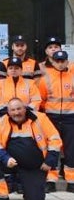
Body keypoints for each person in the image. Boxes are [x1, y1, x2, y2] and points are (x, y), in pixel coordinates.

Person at [0, 98, 62, 200]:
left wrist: (50, 160)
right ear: (8, 112)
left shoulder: (41, 118)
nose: (16, 112)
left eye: (19, 109)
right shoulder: (1, 122)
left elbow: (55, 139)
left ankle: (23, 187)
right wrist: (6, 158)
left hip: (34, 166)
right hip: (10, 164)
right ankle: (0, 197)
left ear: (25, 108)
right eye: (13, 110)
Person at [37, 49, 74, 192]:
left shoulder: (72, 76)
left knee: (71, 150)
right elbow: (41, 99)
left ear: (66, 61)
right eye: (57, 61)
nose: (60, 63)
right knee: (52, 148)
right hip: (51, 117)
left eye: (62, 61)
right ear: (52, 62)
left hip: (70, 118)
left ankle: (71, 180)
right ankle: (51, 179)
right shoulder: (45, 78)